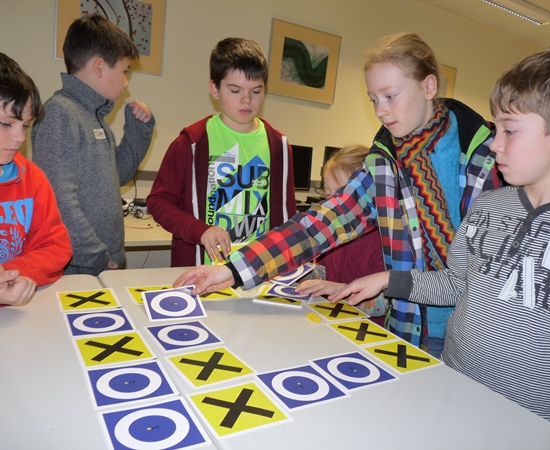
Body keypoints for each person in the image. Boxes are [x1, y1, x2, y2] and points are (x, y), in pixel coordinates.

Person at [329, 45, 550, 442]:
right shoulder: (489, 205)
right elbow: (456, 284)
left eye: (509, 131)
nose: (494, 143)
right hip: (453, 386)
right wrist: (389, 279)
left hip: (532, 423)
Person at [173, 32, 504, 357]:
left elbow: (489, 273)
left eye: (390, 96)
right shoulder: (384, 162)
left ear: (429, 87)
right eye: (373, 99)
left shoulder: (489, 157)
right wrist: (233, 270)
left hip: (472, 337)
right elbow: (319, 225)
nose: (380, 111)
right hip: (408, 328)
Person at [146, 37, 296, 267]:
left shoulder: (279, 146)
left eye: (256, 91)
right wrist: (200, 230)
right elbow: (158, 201)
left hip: (257, 271)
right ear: (214, 89)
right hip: (202, 270)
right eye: (235, 90)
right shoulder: (192, 142)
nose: (246, 100)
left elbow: (287, 217)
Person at [31, 14, 155, 276]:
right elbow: (59, 201)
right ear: (99, 67)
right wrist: (96, 256)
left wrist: (138, 129)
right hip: (80, 266)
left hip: (101, 262)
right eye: (124, 71)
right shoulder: (61, 114)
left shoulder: (93, 116)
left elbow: (118, 174)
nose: (126, 82)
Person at [0, 53, 72, 306]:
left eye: (25, 125)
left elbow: (55, 247)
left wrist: (11, 275)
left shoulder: (32, 178)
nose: (20, 138)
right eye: (6, 124)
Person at [295, 144, 387, 323]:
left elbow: (384, 304)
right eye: (328, 195)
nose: (330, 205)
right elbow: (323, 275)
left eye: (339, 197)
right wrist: (296, 273)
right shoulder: (331, 235)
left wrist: (339, 289)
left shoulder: (382, 243)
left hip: (367, 329)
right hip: (332, 321)